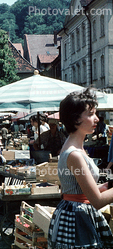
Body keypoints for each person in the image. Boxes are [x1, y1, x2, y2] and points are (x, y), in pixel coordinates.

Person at [48, 88, 113, 248]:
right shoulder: (75, 154)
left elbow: (77, 189)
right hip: (77, 220)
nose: (97, 119)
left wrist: (105, 186)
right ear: (75, 118)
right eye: (91, 114)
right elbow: (97, 201)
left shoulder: (73, 147)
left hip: (74, 213)